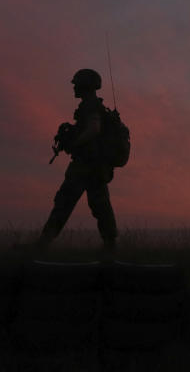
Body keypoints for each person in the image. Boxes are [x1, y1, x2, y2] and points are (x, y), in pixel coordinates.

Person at [35, 69, 119, 254]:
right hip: (95, 165)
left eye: (76, 83)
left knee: (64, 201)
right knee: (100, 205)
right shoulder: (95, 106)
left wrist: (74, 142)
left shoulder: (90, 106)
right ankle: (110, 244)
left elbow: (94, 128)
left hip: (86, 165)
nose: (74, 87)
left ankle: (43, 244)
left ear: (85, 85)